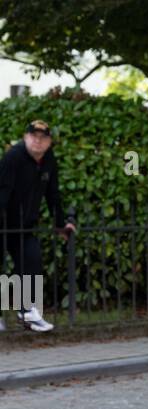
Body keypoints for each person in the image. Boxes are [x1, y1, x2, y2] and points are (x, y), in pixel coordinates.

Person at [0, 120, 76, 332]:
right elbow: (2, 192)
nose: (37, 141)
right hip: (3, 222)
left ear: (49, 142)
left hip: (25, 225)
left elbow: (53, 195)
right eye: (33, 136)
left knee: (31, 262)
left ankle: (26, 312)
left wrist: (61, 224)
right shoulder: (13, 158)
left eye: (43, 138)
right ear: (25, 138)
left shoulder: (49, 161)